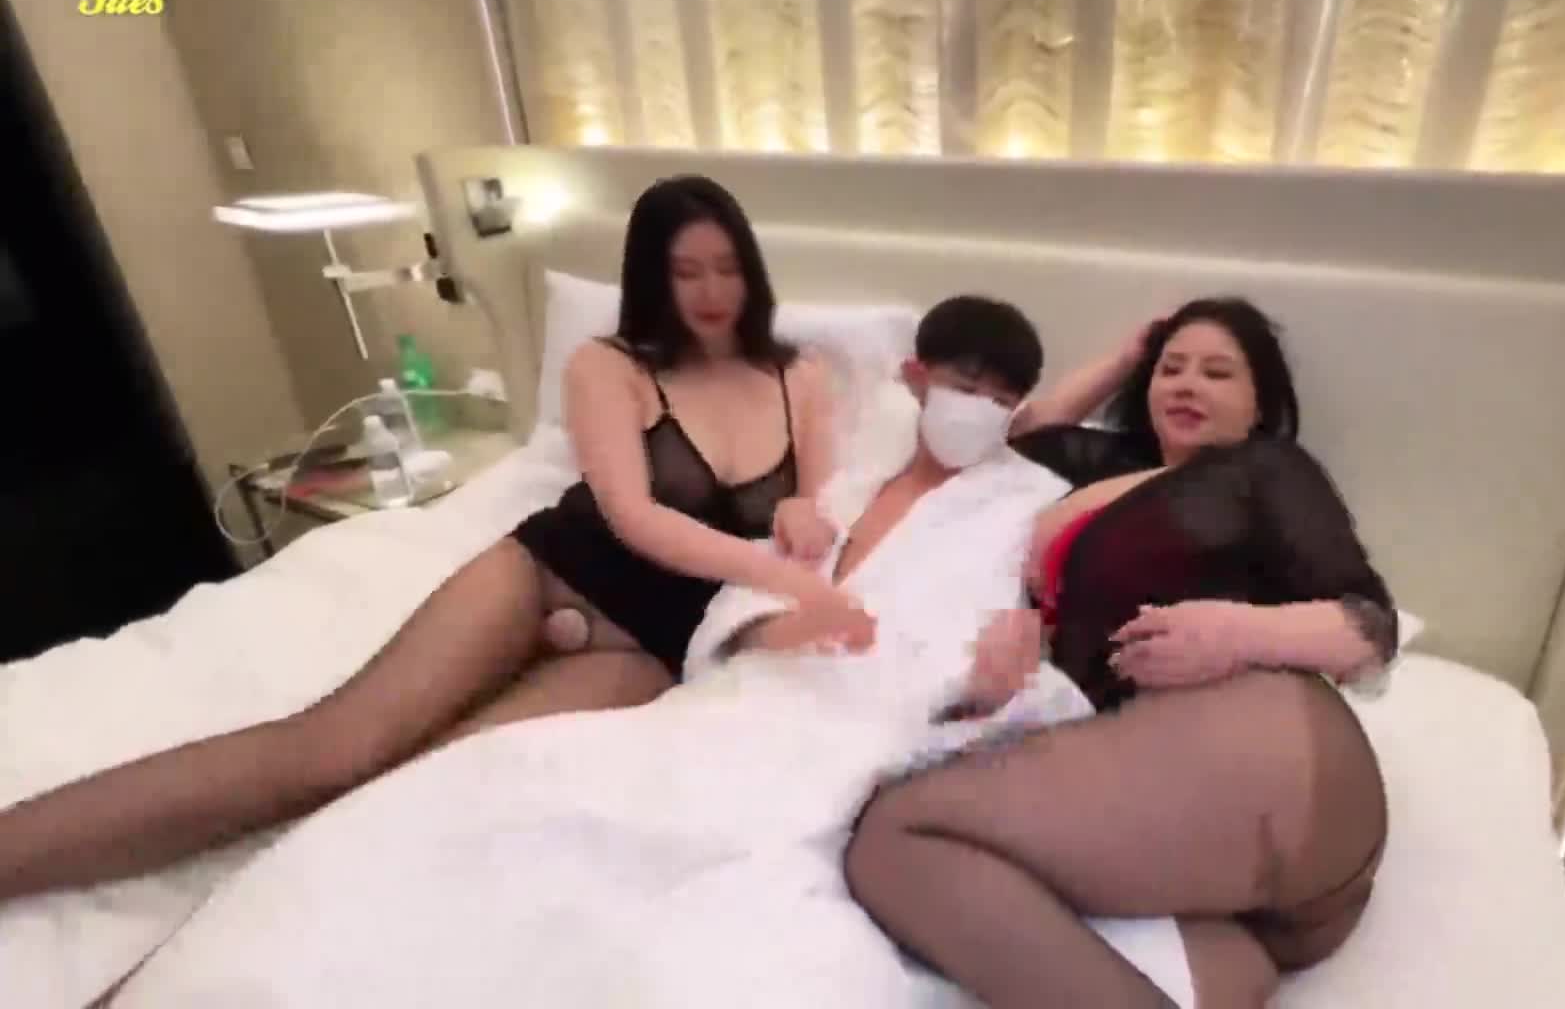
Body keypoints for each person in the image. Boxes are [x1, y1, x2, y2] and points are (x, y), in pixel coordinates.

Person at [106, 297, 1108, 1007]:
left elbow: (1019, 660)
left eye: (1002, 394)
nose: (978, 406)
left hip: (842, 734)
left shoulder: (1028, 503)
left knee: (653, 914)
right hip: (724, 698)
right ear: (916, 378)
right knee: (470, 799)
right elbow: (737, 596)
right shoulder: (841, 478)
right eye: (963, 382)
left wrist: (976, 681)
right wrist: (774, 624)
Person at [0, 174, 856, 904]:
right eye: (686, 271)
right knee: (329, 751)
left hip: (646, 643)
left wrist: (800, 516)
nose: (711, 291)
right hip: (551, 571)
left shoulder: (802, 377)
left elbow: (820, 503)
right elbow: (633, 514)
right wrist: (784, 579)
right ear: (650, 278)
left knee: (407, 802)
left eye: (727, 267)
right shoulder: (609, 365)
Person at [844, 296, 1399, 1008]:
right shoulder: (1103, 467)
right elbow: (1010, 436)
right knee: (1212, 970)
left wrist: (1233, 633)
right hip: (1234, 864)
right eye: (1173, 369)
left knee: (896, 838)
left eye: (1217, 373)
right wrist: (1124, 360)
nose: (1188, 384)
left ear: (1259, 405)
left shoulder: (1263, 468)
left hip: (1267, 744)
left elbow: (1370, 626)